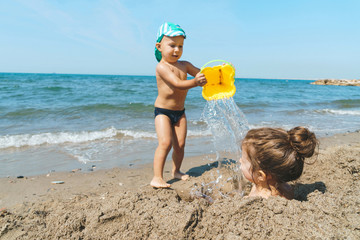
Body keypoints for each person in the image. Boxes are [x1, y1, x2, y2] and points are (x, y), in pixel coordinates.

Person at [150, 22, 207, 188]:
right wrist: (195, 82)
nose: (177, 50)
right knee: (165, 143)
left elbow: (203, 73)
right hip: (163, 112)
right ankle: (157, 177)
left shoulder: (185, 65)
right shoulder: (162, 67)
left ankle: (176, 171)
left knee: (180, 145)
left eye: (180, 46)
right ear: (159, 46)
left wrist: (217, 71)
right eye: (172, 45)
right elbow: (177, 84)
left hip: (180, 112)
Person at [239, 126, 318, 199]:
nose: (240, 160)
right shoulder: (286, 188)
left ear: (260, 175)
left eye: (243, 160)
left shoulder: (258, 198)